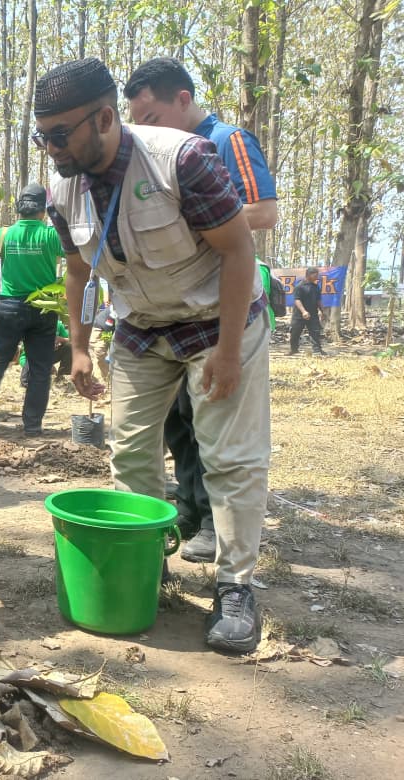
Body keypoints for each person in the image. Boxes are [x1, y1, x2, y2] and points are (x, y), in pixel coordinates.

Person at [37, 58, 269, 653]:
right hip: (141, 326)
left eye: (60, 134)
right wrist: (82, 346)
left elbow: (239, 250)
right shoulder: (62, 188)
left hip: (219, 317)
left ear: (106, 118)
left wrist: (229, 346)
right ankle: (147, 561)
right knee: (131, 449)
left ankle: (236, 585)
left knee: (227, 455)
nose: (51, 147)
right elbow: (79, 269)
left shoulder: (181, 160)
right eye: (43, 134)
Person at [125, 56, 280, 564]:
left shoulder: (225, 140)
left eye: (150, 118)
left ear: (183, 101)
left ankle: (217, 525)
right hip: (164, 311)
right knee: (176, 421)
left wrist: (193, 223)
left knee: (209, 420)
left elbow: (262, 211)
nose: (143, 131)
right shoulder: (146, 159)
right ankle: (189, 509)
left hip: (219, 303)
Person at [0, 183, 64, 437]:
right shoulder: (52, 235)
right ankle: (32, 424)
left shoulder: (3, 235)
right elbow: (71, 255)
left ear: (19, 207)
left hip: (9, 307)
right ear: (44, 209)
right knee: (40, 368)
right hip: (43, 308)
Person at [289, 267, 324, 355]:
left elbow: (318, 300)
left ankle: (317, 350)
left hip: (313, 314)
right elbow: (297, 300)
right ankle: (294, 349)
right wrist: (303, 311)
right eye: (315, 275)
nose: (317, 276)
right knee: (295, 333)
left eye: (317, 274)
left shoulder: (316, 287)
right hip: (299, 315)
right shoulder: (300, 286)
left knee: (315, 332)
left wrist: (322, 311)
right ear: (308, 275)